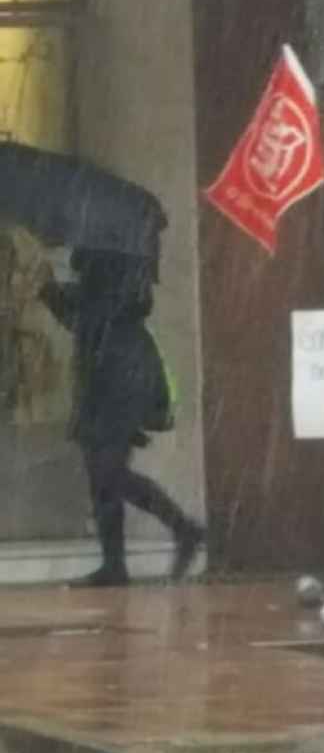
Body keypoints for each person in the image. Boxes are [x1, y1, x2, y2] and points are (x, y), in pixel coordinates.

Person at [40, 249, 203, 587]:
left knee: (107, 472)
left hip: (118, 377)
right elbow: (82, 321)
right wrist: (52, 293)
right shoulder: (107, 265)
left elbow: (99, 314)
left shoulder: (115, 262)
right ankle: (119, 562)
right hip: (107, 377)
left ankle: (180, 530)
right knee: (103, 476)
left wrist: (59, 291)